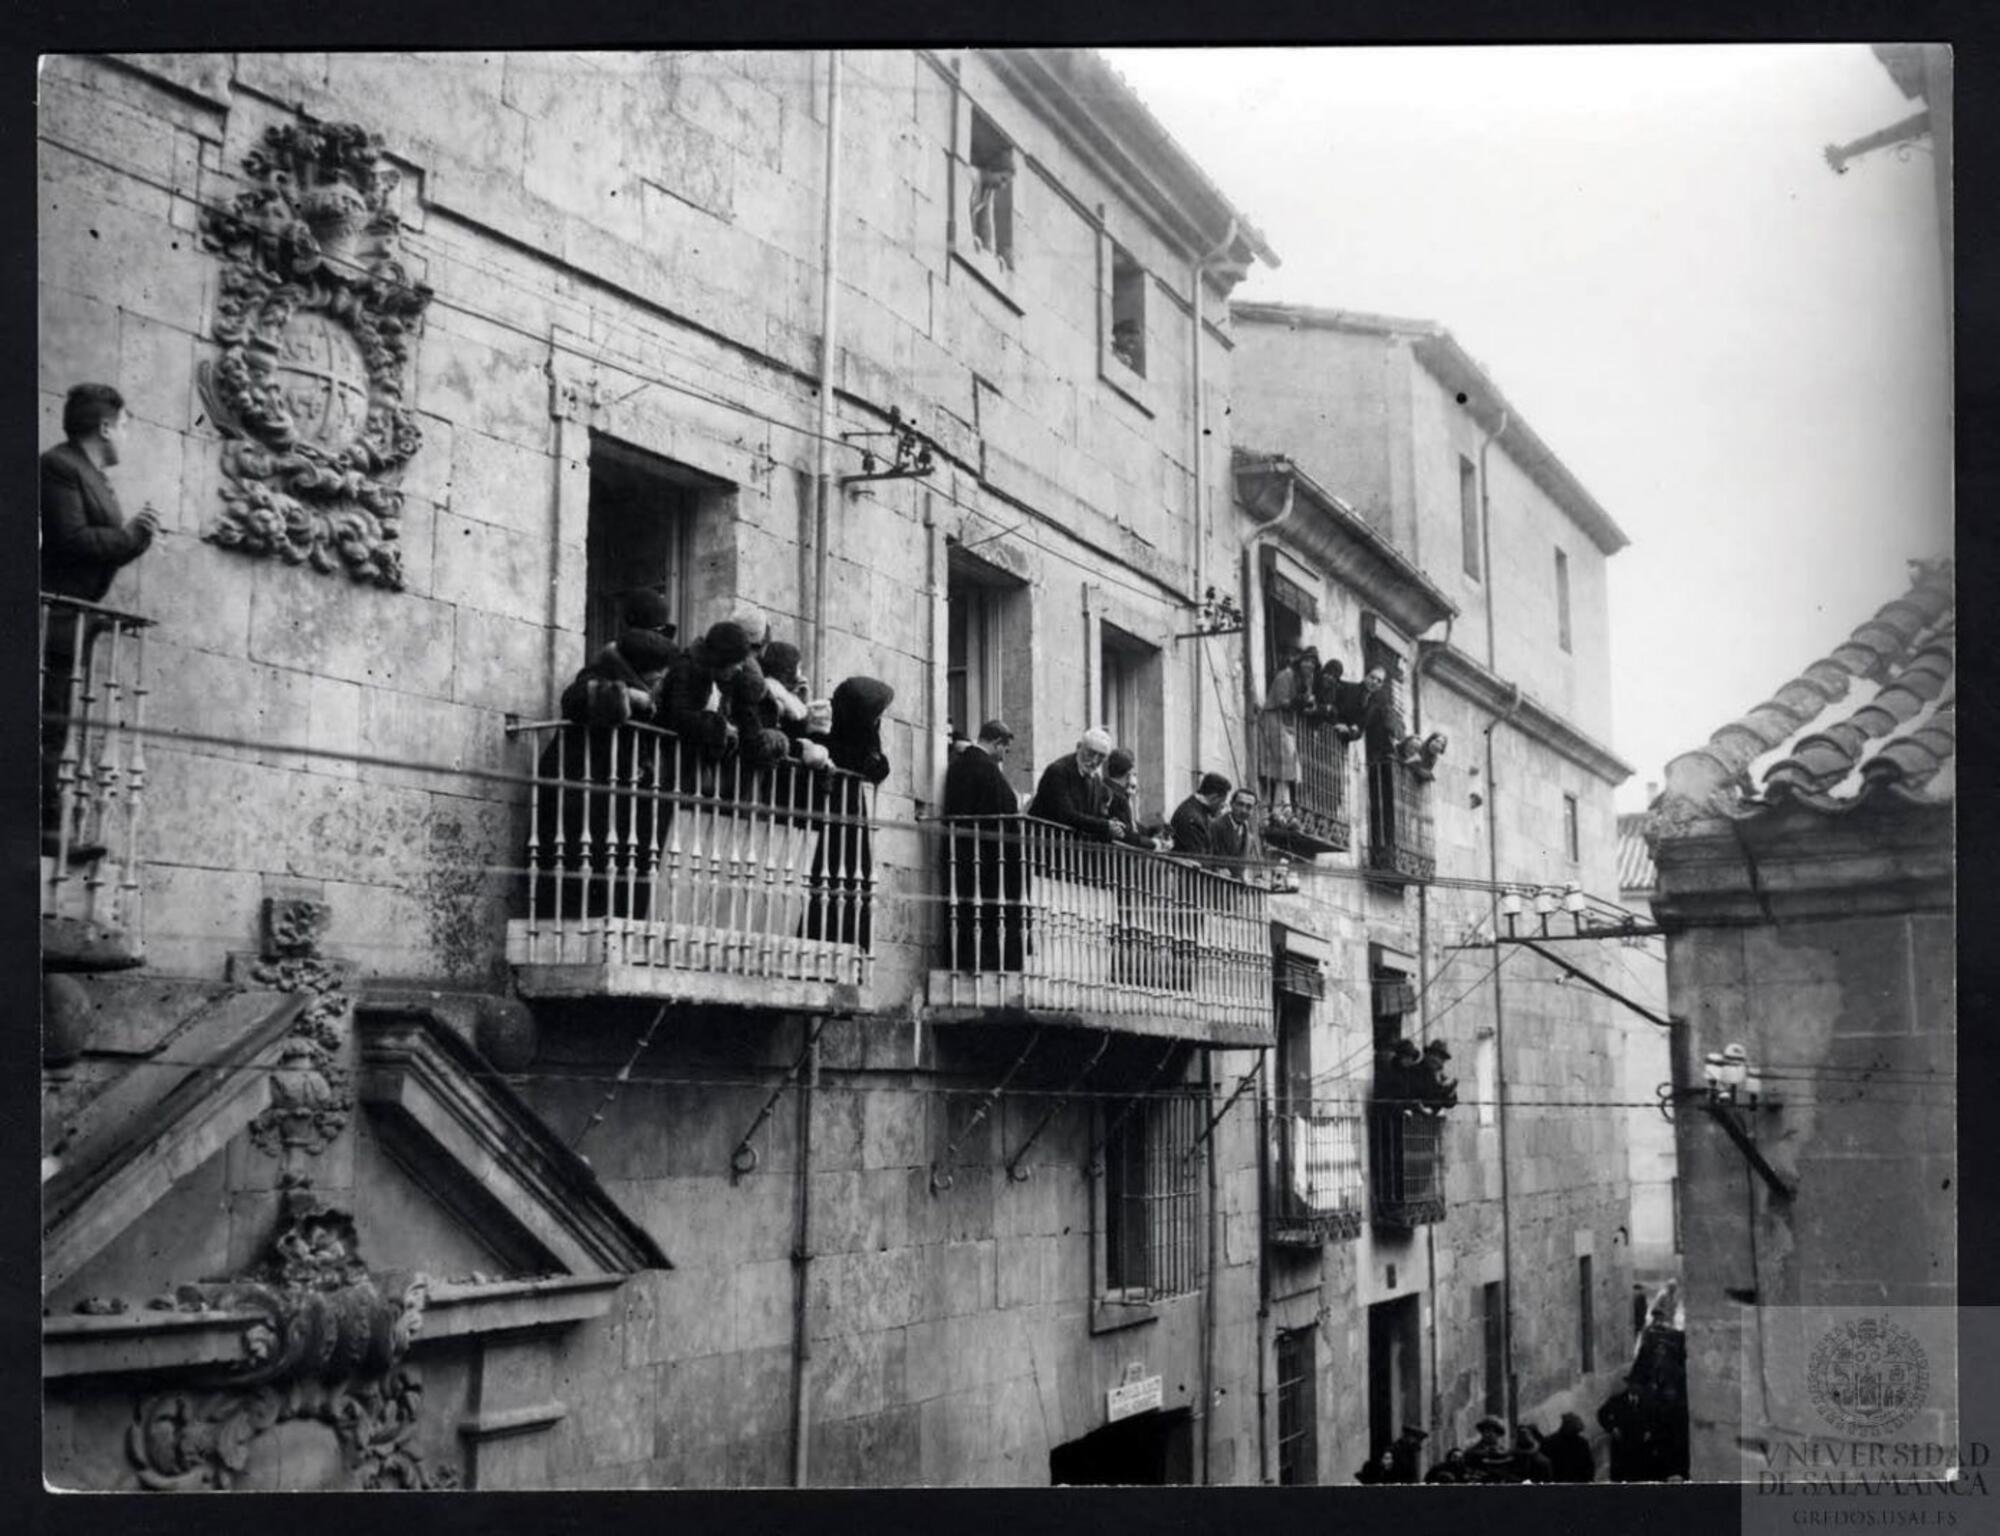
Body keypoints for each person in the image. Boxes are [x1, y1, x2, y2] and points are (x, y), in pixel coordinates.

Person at [42, 383, 162, 854]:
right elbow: (71, 540)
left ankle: (50, 829)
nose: (129, 435)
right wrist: (132, 536)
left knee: (56, 724)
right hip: (51, 619)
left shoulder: (90, 474)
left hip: (73, 623)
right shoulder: (59, 466)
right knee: (46, 721)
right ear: (105, 426)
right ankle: (44, 829)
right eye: (126, 424)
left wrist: (137, 535)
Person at [533, 626, 678, 921]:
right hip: (579, 798)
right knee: (578, 872)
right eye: (658, 674)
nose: (661, 680)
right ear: (640, 669)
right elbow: (574, 700)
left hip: (607, 803)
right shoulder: (596, 676)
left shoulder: (648, 693)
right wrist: (625, 696)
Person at [807, 676, 893, 952]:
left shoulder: (865, 725)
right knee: (826, 878)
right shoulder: (825, 718)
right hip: (825, 809)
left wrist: (874, 762)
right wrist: (865, 762)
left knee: (854, 881)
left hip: (850, 811)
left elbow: (878, 764)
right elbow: (835, 753)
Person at [942, 719, 1023, 971]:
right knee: (986, 915)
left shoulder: (963, 764)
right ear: (998, 744)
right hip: (986, 857)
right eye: (1005, 750)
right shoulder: (983, 767)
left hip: (971, 854)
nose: (1004, 756)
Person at [1026, 728, 1125, 841]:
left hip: (1072, 849)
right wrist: (1105, 825)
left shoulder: (1096, 779)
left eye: (1101, 757)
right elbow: (1065, 814)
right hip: (1045, 845)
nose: (1094, 761)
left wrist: (1113, 825)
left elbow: (1095, 815)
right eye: (1091, 753)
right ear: (1078, 747)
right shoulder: (1058, 771)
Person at [1258, 646, 1316, 814]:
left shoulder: (1304, 681)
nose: (1309, 666)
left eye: (1312, 663)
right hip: (1274, 720)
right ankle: (1282, 809)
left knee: (1288, 765)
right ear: (1300, 661)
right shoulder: (1286, 675)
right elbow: (1283, 701)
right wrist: (1303, 700)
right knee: (1285, 763)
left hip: (1287, 724)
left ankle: (1282, 807)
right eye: (1306, 661)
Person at [1168, 772, 1231, 858]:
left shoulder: (1195, 809)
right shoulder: (1192, 818)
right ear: (1214, 798)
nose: (1223, 806)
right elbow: (1198, 858)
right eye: (1222, 801)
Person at [1210, 788, 1266, 869]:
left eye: (1249, 807)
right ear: (1231, 804)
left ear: (1253, 810)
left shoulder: (1247, 832)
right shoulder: (1216, 826)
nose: (1243, 810)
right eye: (1240, 804)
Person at [1544, 1411, 1596, 1483]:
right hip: (1562, 1484)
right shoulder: (1551, 1442)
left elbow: (1589, 1466)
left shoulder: (1582, 1443)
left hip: (1575, 1484)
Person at [1463, 1416, 1515, 1483]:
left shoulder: (1504, 1451)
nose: (1490, 1434)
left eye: (1494, 1431)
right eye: (1487, 1431)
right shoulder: (1472, 1452)